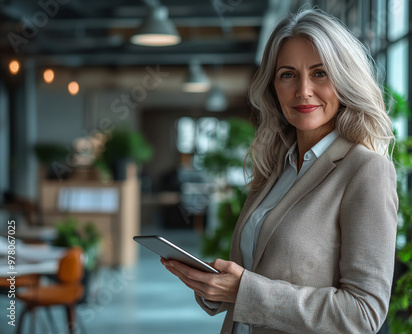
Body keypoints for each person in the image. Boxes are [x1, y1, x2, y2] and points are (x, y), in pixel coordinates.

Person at [161, 8, 398, 334]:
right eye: (287, 74)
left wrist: (243, 291)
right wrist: (216, 288)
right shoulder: (276, 166)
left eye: (320, 73)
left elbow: (362, 314)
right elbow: (257, 274)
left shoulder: (367, 171)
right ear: (272, 86)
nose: (303, 90)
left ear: (345, 79)